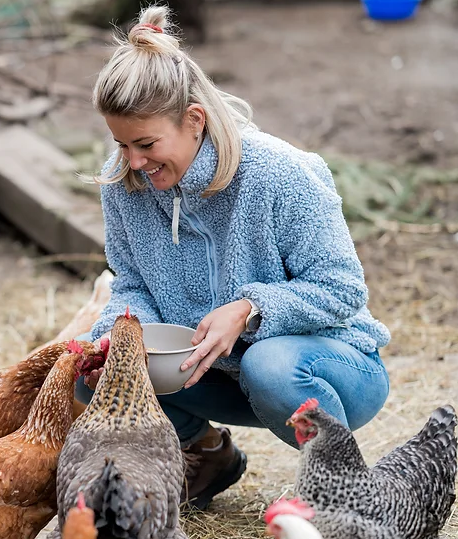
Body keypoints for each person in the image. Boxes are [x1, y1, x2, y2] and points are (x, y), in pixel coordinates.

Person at [74, 5, 392, 511]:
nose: (133, 161)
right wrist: (120, 337)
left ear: (194, 120)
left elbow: (343, 290)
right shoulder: (126, 181)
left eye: (146, 143)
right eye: (121, 143)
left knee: (269, 364)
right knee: (93, 377)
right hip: (214, 376)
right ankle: (206, 453)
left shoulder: (279, 174)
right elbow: (130, 284)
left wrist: (249, 309)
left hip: (325, 369)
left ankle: (345, 493)